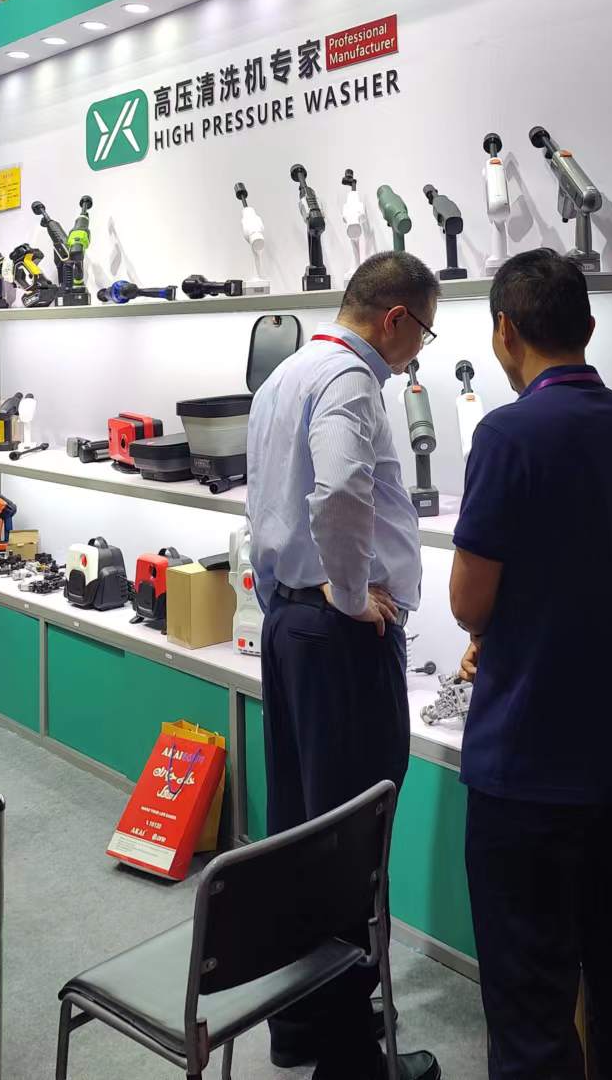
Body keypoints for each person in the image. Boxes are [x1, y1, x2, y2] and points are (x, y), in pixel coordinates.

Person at [450, 249, 612, 1080]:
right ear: (586, 325)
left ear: (505, 332)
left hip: (528, 766)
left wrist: (495, 627)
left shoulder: (507, 435)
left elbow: (469, 601)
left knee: (531, 1007)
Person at [247, 251, 443, 1080]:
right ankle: (352, 1058)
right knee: (350, 844)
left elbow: (269, 501)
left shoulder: (285, 374)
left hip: (293, 629)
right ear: (394, 318)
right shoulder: (353, 382)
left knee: (301, 832)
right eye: (423, 332)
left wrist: (296, 600)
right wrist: (353, 594)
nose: (420, 351)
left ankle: (301, 1023)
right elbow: (336, 493)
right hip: (339, 642)